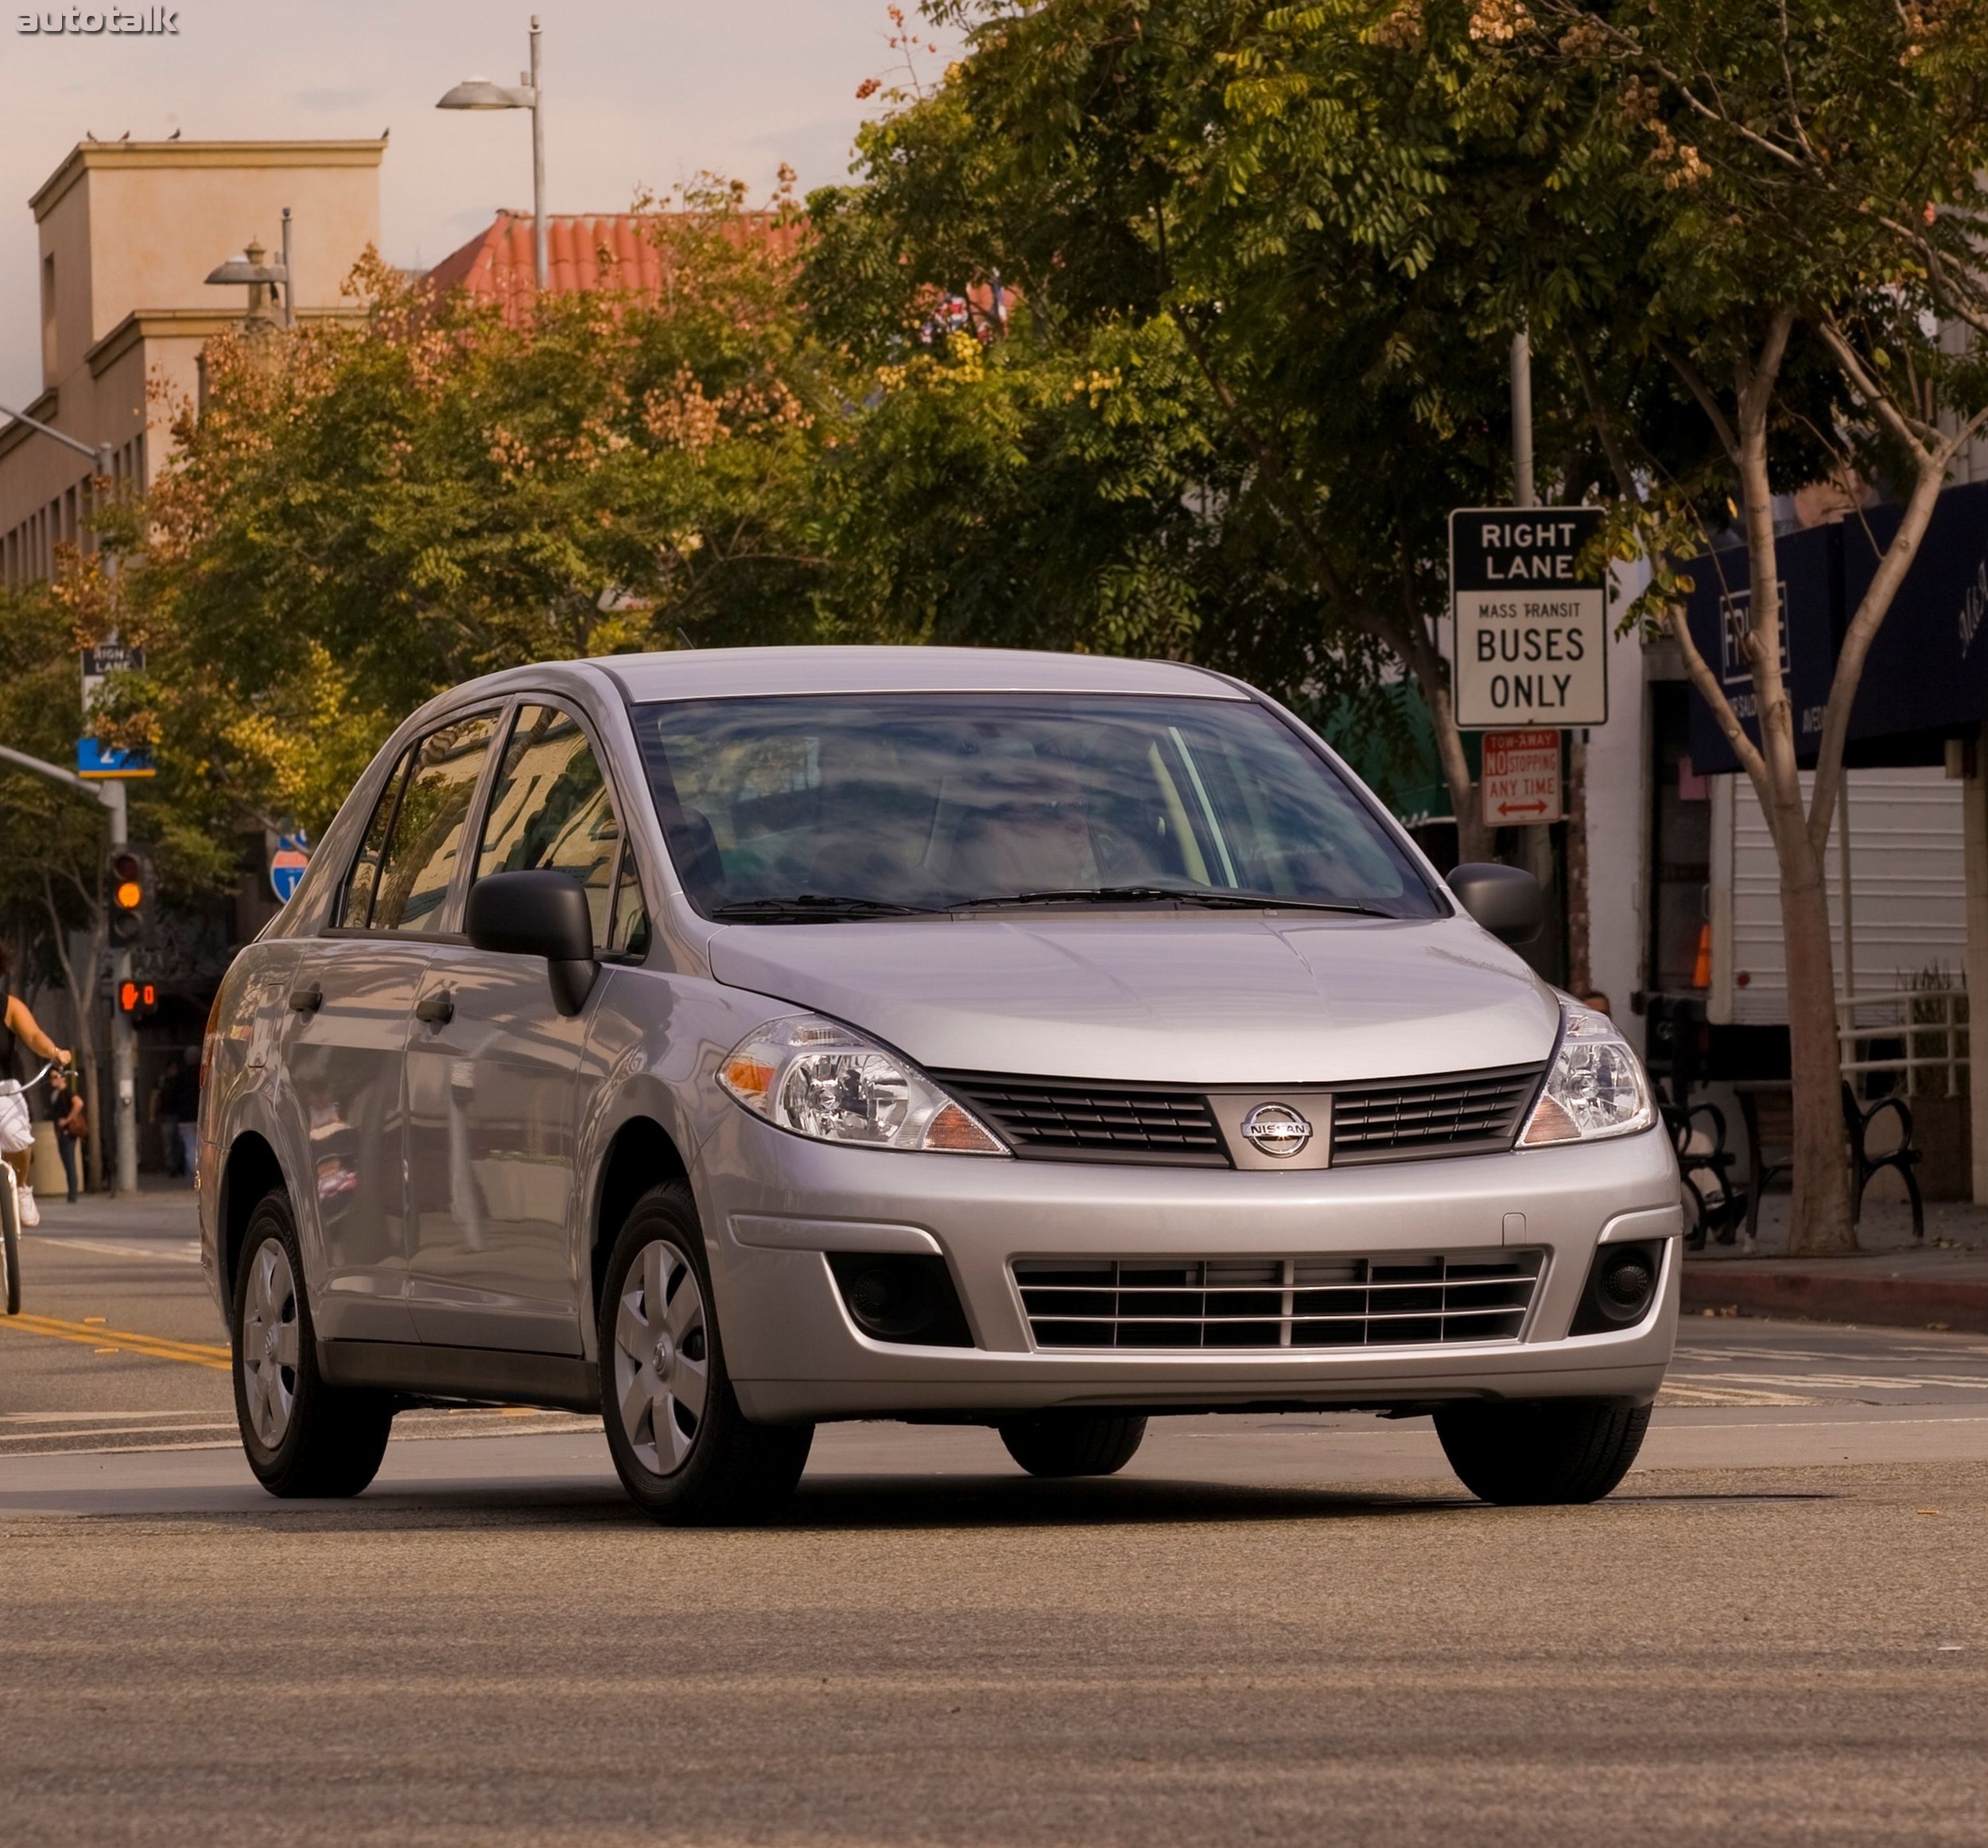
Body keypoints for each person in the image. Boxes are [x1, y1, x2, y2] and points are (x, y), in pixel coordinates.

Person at [0, 944, 72, 1229]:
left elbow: (33, 1036)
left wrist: (55, 1052)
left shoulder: (9, 1006)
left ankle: (21, 1187)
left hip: (4, 1088)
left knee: (16, 1135)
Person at [46, 1066, 87, 1205]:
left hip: (68, 1132)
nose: (52, 1080)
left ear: (62, 1078)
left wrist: (68, 1119)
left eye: (55, 1077)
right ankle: (71, 1192)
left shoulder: (67, 1092)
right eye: (51, 1077)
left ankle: (73, 1194)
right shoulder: (55, 1094)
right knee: (66, 1161)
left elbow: (79, 1103)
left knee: (69, 1162)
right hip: (61, 1133)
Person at [166, 1046, 200, 1182]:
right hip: (202, 1115)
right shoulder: (206, 1073)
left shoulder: (180, 1076)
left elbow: (173, 1096)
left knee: (190, 1147)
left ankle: (194, 1174)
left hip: (185, 1117)